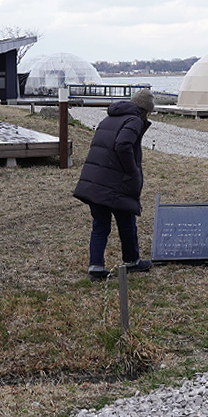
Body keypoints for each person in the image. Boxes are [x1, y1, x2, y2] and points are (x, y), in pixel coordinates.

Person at [73, 88, 156, 281]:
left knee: (100, 224)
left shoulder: (110, 118)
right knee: (127, 222)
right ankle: (132, 261)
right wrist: (131, 170)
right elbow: (123, 145)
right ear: (146, 110)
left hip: (95, 179)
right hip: (116, 181)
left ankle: (95, 267)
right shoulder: (134, 120)